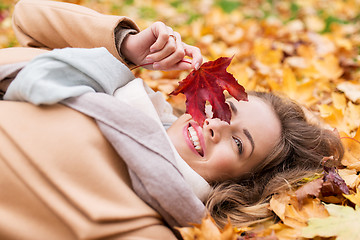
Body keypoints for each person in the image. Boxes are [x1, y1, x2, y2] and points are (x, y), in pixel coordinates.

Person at [0, 0, 344, 239]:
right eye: (225, 110)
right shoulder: (115, 86)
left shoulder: (145, 222)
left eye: (238, 144)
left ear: (239, 185)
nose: (215, 126)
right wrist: (127, 45)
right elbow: (28, 16)